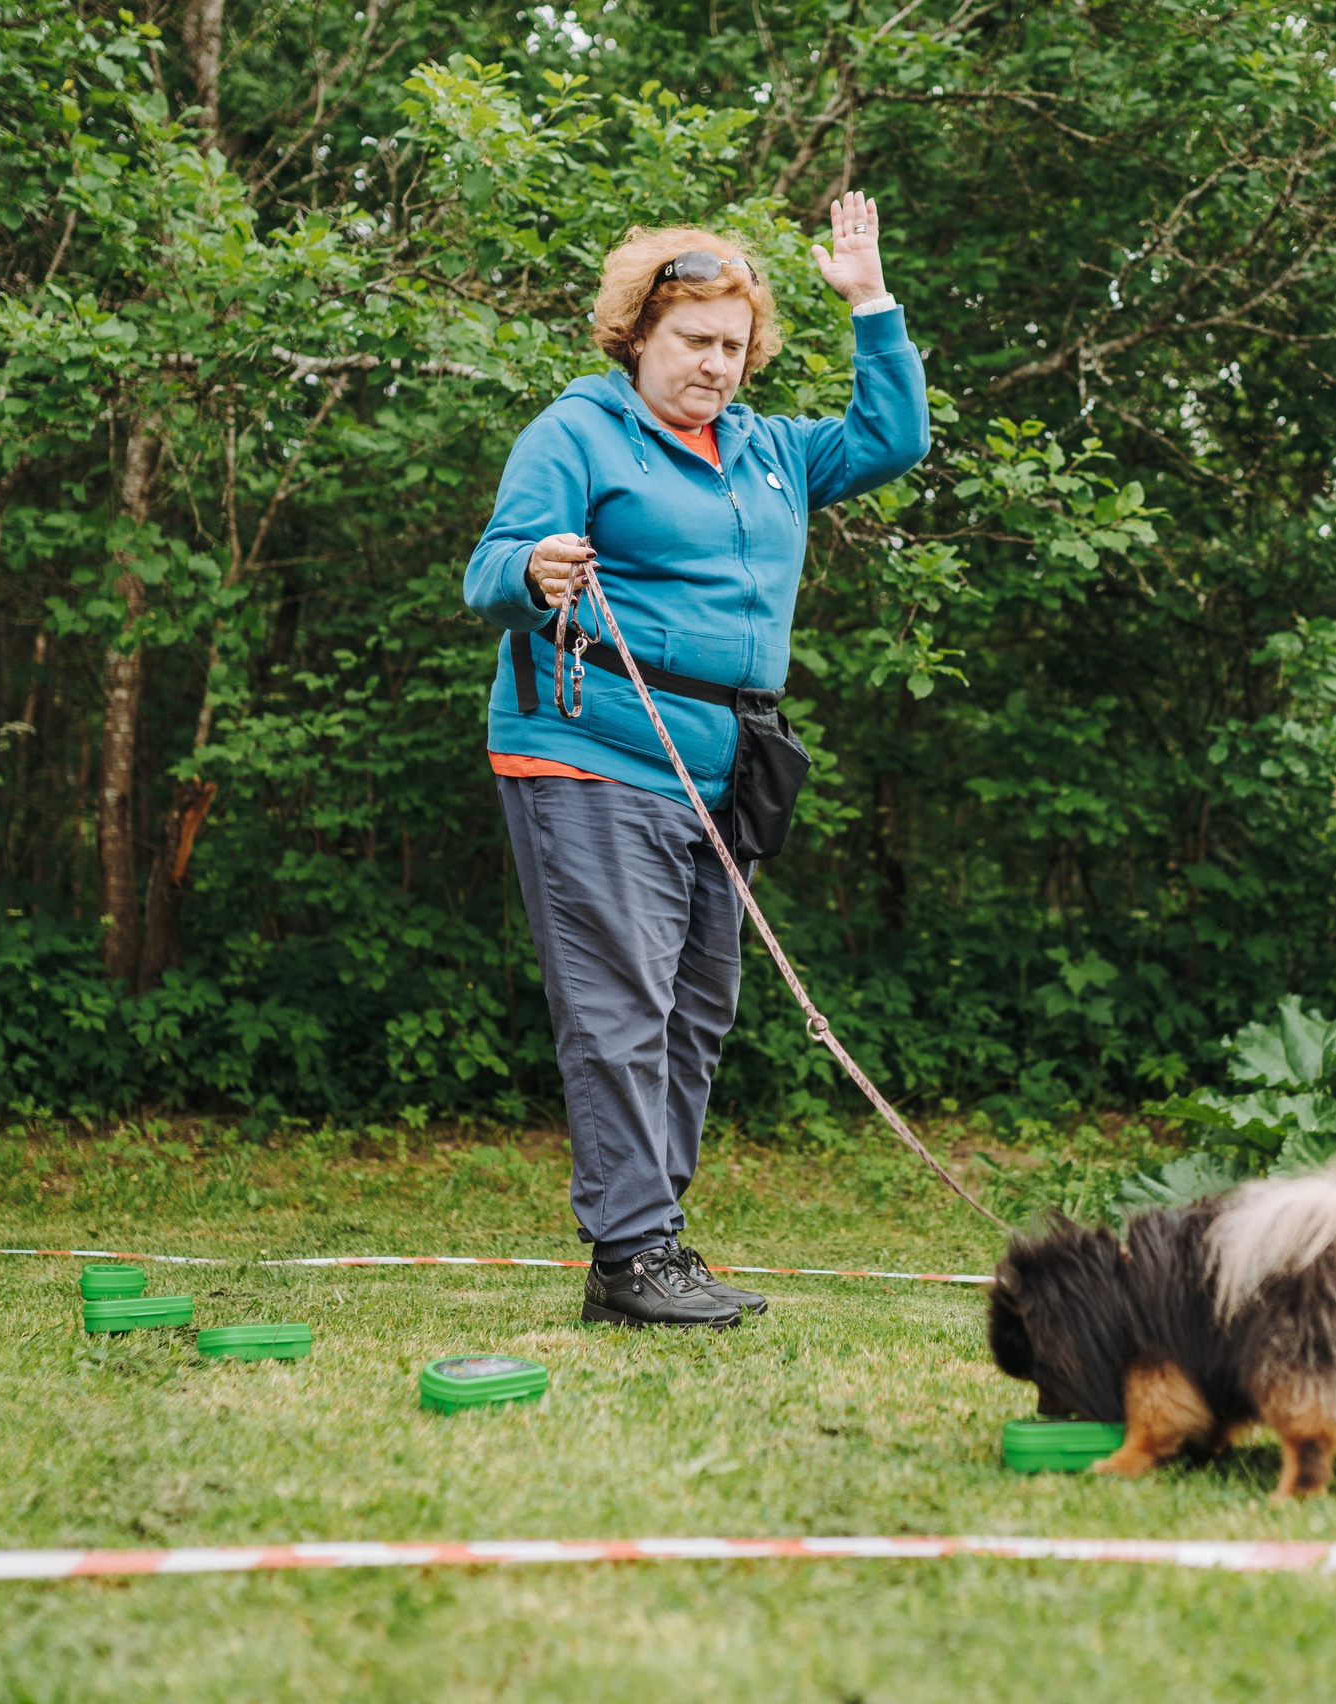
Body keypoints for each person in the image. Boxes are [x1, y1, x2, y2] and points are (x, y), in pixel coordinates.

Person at [464, 193, 927, 1328]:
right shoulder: (575, 432)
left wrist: (871, 307)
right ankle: (631, 1254)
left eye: (733, 345)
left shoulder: (771, 452)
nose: (715, 365)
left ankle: (651, 1243)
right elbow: (488, 571)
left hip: (725, 776)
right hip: (587, 751)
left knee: (693, 1012)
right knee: (618, 1005)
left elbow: (893, 439)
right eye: (693, 342)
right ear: (637, 337)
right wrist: (539, 571)